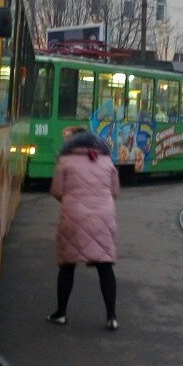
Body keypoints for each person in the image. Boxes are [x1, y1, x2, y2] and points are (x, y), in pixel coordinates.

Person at [47, 126, 121, 331]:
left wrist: (72, 200)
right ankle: (112, 317)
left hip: (74, 216)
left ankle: (61, 313)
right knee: (105, 267)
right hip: (103, 217)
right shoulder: (106, 161)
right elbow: (115, 191)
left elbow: (57, 191)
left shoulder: (65, 161)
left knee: (67, 266)